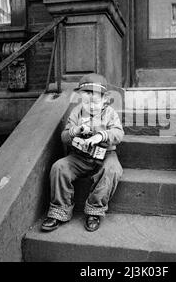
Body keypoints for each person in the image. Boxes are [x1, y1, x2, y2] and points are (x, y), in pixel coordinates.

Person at [41, 73, 124, 233]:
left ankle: (94, 210)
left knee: (112, 170)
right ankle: (60, 210)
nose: (90, 106)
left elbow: (119, 133)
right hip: (80, 157)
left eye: (95, 101)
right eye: (86, 101)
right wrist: (75, 131)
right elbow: (64, 137)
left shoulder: (110, 113)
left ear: (105, 98)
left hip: (105, 154)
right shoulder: (77, 113)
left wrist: (102, 135)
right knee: (59, 167)